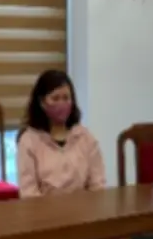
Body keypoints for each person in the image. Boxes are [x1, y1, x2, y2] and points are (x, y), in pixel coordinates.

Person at [17, 70, 106, 198]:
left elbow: (97, 185)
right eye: (55, 98)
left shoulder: (85, 137)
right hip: (44, 210)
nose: (62, 104)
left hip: (83, 208)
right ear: (42, 102)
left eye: (66, 98)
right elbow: (28, 193)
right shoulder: (29, 141)